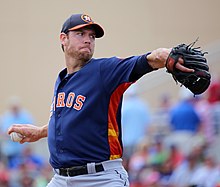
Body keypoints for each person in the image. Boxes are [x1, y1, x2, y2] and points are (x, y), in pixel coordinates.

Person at [7, 13, 194, 187]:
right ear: (63, 38)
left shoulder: (105, 71)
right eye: (80, 33)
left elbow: (149, 60)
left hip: (101, 178)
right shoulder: (62, 79)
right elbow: (70, 121)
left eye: (92, 36)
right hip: (61, 179)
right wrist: (40, 132)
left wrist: (168, 55)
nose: (88, 39)